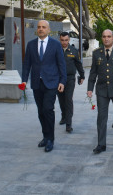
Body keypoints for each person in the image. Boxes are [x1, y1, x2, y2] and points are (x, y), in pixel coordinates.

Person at [21, 20, 67, 153]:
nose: (41, 29)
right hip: (36, 83)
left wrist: (62, 82)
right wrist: (24, 80)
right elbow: (26, 64)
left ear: (48, 30)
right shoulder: (30, 45)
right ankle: (45, 136)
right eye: (39, 27)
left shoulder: (56, 45)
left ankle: (51, 139)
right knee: (41, 111)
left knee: (48, 109)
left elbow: (61, 64)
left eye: (43, 27)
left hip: (51, 82)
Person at [57, 32, 85, 133]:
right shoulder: (56, 50)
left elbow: (78, 64)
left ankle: (68, 124)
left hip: (70, 79)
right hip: (58, 79)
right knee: (61, 99)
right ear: (60, 40)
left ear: (69, 40)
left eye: (66, 40)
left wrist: (82, 76)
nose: (64, 42)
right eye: (62, 40)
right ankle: (64, 116)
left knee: (68, 99)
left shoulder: (73, 50)